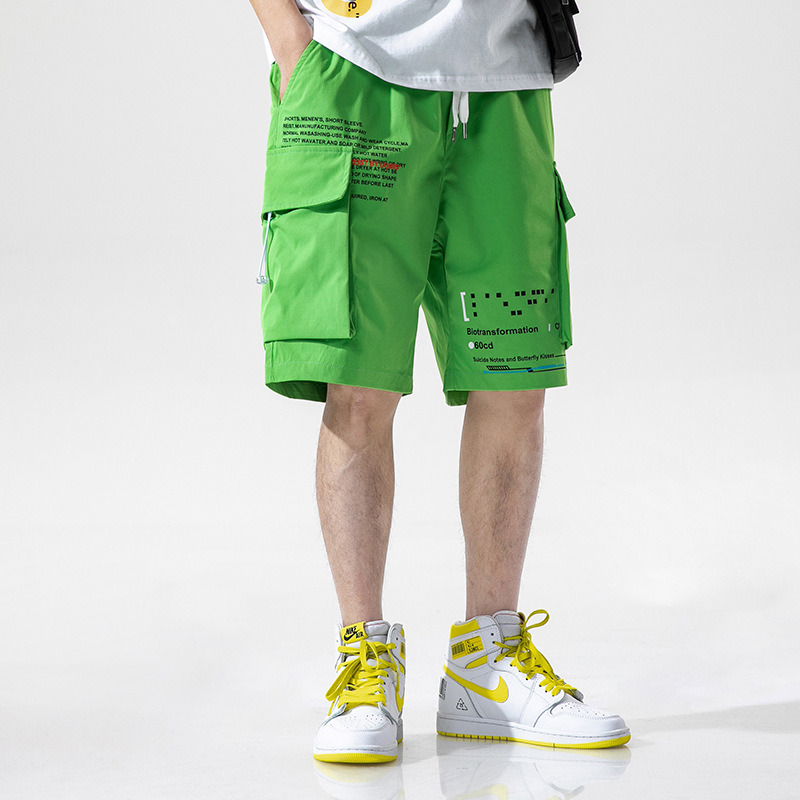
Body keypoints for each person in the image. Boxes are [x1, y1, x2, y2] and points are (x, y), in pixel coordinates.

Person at [248, 0, 630, 763]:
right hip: (352, 74)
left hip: (506, 80)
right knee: (357, 383)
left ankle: (487, 664)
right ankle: (365, 663)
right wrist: (291, 41)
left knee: (514, 380)